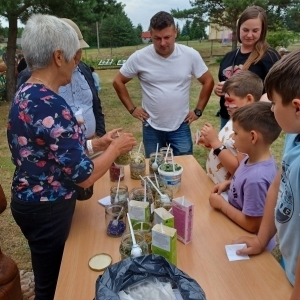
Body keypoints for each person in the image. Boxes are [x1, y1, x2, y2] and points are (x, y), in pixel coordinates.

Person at [7, 14, 136, 300]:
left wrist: (95, 143)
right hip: (46, 208)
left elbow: (49, 151)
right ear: (58, 57)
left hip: (31, 200)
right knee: (55, 285)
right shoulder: (51, 104)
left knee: (50, 276)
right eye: (73, 56)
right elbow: (84, 175)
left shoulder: (28, 92)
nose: (76, 62)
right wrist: (113, 149)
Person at [234, 49, 300, 300]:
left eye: (273, 103)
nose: (271, 110)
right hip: (290, 258)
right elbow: (277, 185)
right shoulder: (294, 133)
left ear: (296, 107)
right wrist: (262, 240)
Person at [113, 11, 214, 157]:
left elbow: (208, 81)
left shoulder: (190, 55)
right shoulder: (139, 57)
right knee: (154, 166)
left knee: (185, 165)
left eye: (167, 37)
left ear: (175, 32)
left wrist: (198, 110)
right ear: (151, 35)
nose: (162, 43)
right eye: (157, 38)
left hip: (180, 125)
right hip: (151, 125)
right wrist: (132, 109)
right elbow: (118, 81)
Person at [17, 18, 106, 139]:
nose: (77, 56)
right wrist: (115, 148)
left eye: (79, 50)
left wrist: (100, 136)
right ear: (58, 55)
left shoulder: (84, 68)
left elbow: (95, 104)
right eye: (73, 51)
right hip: (68, 147)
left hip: (88, 142)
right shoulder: (32, 82)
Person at [209, 102, 281, 248]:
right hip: (235, 228)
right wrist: (229, 184)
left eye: (236, 133)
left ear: (253, 137)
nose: (233, 138)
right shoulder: (253, 158)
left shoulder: (257, 179)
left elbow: (252, 224)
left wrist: (222, 205)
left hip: (246, 242)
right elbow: (246, 182)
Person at [214, 6, 280, 129]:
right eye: (245, 30)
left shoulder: (269, 56)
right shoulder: (229, 56)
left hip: (252, 121)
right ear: (239, 29)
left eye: (255, 30)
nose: (249, 35)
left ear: (262, 31)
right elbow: (224, 84)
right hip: (227, 117)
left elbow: (278, 90)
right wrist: (219, 90)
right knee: (224, 148)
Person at [198, 71, 263, 184]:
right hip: (213, 184)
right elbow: (227, 147)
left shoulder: (249, 130)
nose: (225, 104)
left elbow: (237, 169)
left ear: (248, 99)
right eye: (225, 100)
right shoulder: (234, 118)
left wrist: (215, 142)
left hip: (226, 193)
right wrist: (209, 142)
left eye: (230, 100)